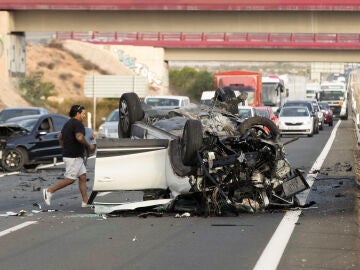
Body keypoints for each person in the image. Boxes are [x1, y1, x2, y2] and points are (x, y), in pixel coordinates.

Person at [42, 105, 96, 207]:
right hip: (73, 157)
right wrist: (89, 145)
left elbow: (60, 137)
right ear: (77, 113)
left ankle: (85, 202)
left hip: (72, 156)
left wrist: (65, 147)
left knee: (83, 177)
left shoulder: (68, 123)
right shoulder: (78, 123)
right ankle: (49, 191)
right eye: (83, 113)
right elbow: (79, 137)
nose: (84, 116)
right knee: (70, 179)